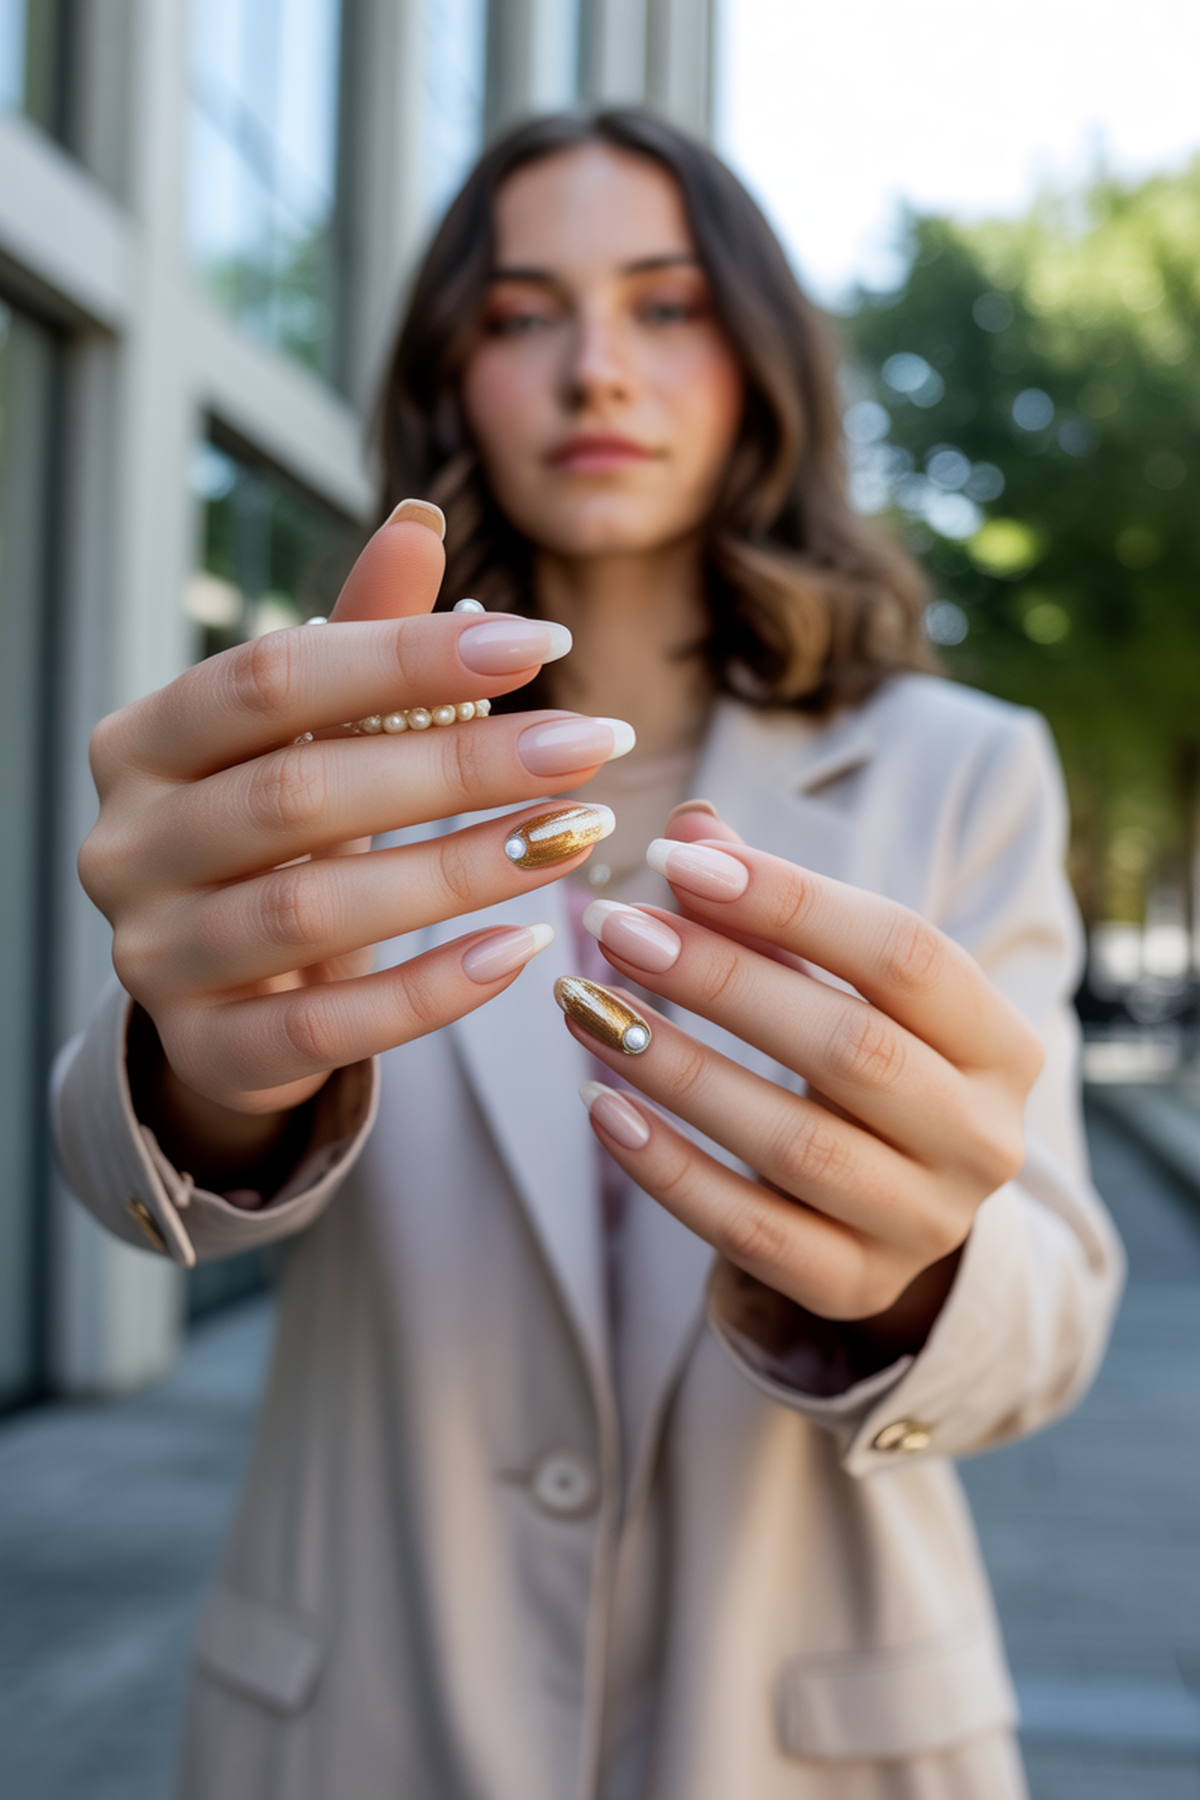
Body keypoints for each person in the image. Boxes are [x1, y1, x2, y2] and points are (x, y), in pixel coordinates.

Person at [54, 111, 1123, 1800]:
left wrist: (908, 1268)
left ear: (760, 363)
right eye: (522, 313)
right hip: (366, 1713)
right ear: (452, 377)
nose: (596, 368)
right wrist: (205, 1069)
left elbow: (1050, 1301)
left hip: (811, 1734)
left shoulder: (960, 765)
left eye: (665, 304)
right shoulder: (331, 746)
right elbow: (131, 1168)